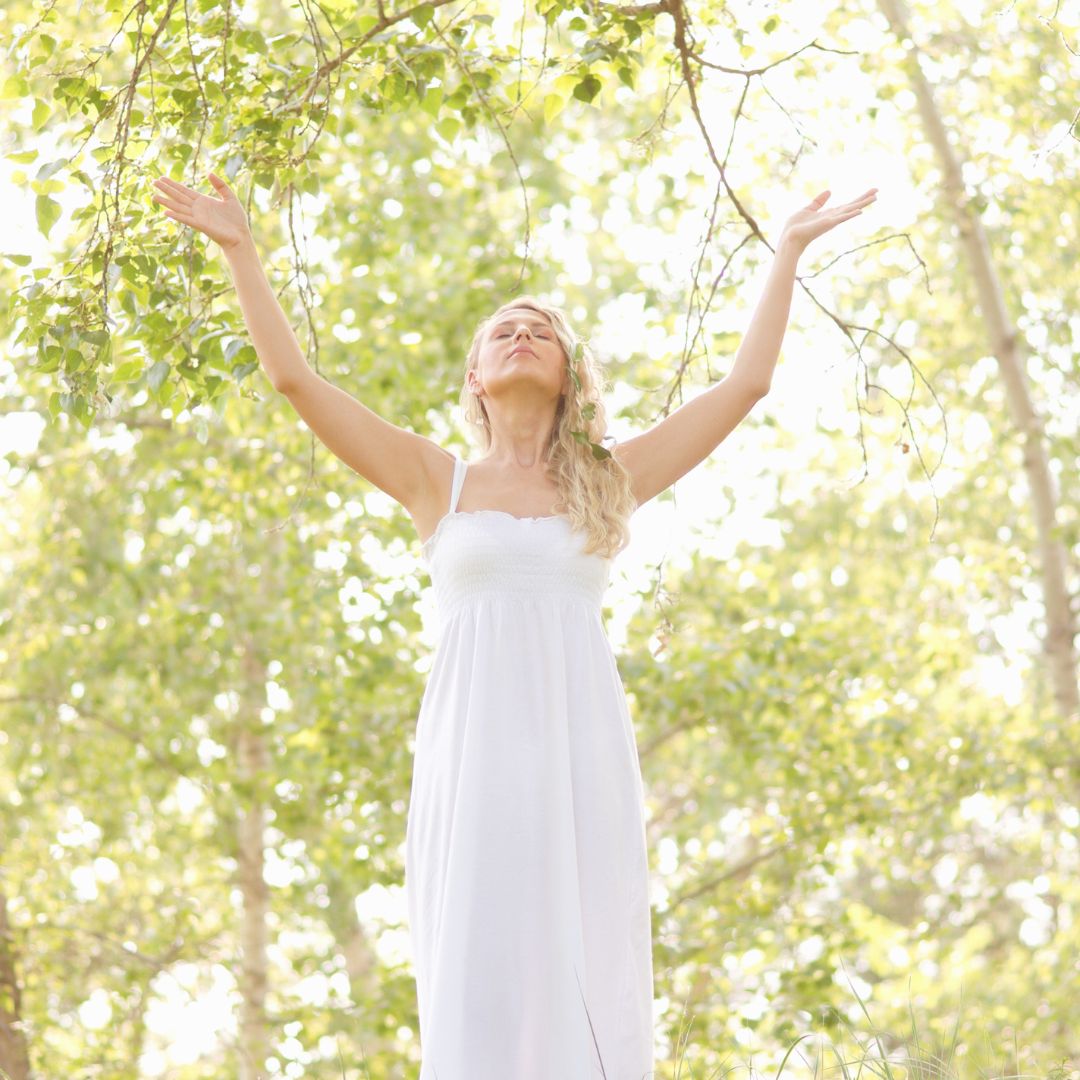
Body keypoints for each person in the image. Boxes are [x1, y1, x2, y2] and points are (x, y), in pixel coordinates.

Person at [152, 170, 877, 1077]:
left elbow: (747, 383)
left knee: (587, 962)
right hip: (473, 755)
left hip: (582, 758)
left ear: (568, 372)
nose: (524, 335)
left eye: (542, 331)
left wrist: (789, 250)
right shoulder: (434, 479)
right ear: (476, 377)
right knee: (480, 962)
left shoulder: (606, 478)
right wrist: (240, 250)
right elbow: (295, 381)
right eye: (504, 330)